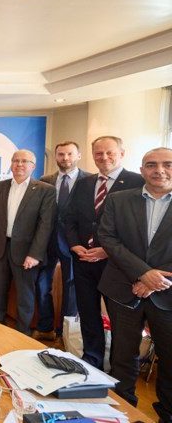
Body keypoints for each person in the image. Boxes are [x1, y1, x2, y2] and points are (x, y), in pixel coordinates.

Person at [97, 147, 172, 422]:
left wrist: (154, 281)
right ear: (142, 170)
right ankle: (123, 412)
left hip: (168, 295)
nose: (159, 170)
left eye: (167, 164)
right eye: (151, 165)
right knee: (122, 357)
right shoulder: (118, 199)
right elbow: (108, 238)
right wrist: (142, 273)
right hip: (123, 289)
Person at [63, 136, 144, 369]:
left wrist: (108, 250)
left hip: (116, 265)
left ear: (122, 153)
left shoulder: (137, 182)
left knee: (119, 319)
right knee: (88, 313)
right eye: (98, 153)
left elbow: (139, 227)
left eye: (110, 152)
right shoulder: (84, 183)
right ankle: (92, 360)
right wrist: (73, 244)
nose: (104, 157)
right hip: (83, 261)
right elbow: (69, 219)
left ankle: (119, 366)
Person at [0, 150, 56, 336]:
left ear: (33, 166)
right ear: (11, 164)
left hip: (27, 253)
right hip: (0, 249)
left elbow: (45, 225)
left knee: (25, 296)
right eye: (16, 161)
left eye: (24, 161)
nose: (19, 164)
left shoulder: (45, 190)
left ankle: (22, 334)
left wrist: (35, 254)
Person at [35, 141, 89, 341]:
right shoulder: (45, 180)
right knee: (42, 285)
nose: (65, 158)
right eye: (61, 154)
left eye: (69, 154)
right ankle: (45, 327)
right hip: (46, 242)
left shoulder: (89, 180)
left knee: (71, 288)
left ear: (78, 156)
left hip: (74, 243)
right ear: (56, 157)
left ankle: (64, 332)